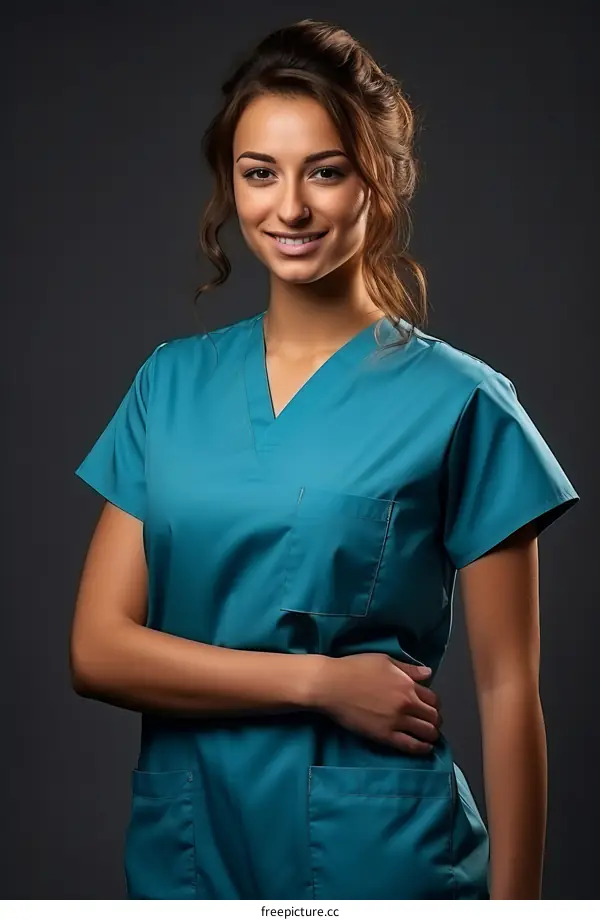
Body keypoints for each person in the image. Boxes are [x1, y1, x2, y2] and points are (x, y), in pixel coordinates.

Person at [71, 19, 580, 900]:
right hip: (191, 849)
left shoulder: (461, 401)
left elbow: (507, 690)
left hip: (380, 854)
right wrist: (318, 684)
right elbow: (99, 651)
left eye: (326, 171)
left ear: (377, 182)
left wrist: (520, 916)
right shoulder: (170, 385)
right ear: (230, 187)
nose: (291, 207)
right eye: (259, 173)